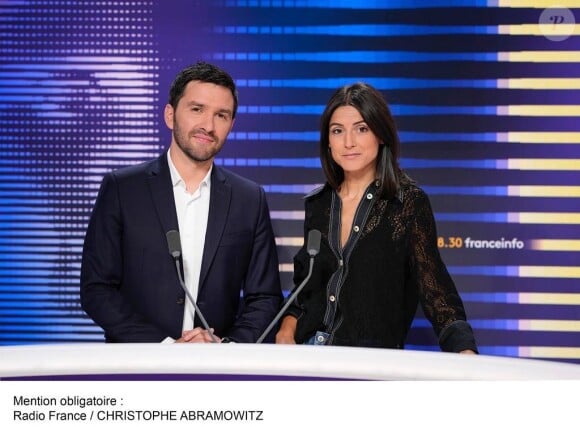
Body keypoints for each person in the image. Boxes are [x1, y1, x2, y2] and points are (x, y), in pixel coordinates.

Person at [80, 62, 282, 343]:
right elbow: (97, 289)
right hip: (138, 364)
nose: (208, 126)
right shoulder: (122, 189)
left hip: (218, 369)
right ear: (170, 114)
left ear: (232, 125)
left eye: (221, 115)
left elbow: (265, 297)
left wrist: (226, 348)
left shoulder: (249, 198)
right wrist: (164, 347)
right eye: (197, 109)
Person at [275, 82, 477, 353]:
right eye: (337, 131)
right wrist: (285, 334)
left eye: (361, 129)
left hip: (369, 362)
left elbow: (436, 290)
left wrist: (464, 351)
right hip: (308, 354)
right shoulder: (318, 205)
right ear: (328, 141)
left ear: (381, 134)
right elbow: (305, 291)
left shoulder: (407, 204)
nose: (348, 142)